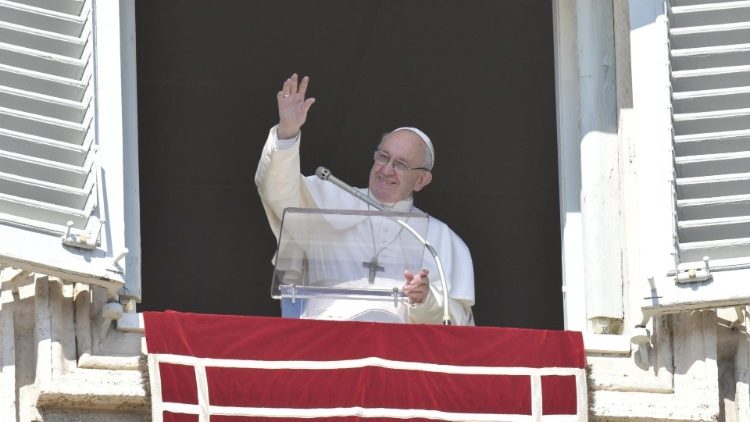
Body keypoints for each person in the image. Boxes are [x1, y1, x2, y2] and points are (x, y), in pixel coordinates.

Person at [255, 73, 475, 325]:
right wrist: (288, 132)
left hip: (397, 350)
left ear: (422, 180)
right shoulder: (329, 201)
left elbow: (457, 320)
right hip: (327, 337)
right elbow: (276, 191)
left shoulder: (440, 240)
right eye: (383, 157)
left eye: (401, 164)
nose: (386, 169)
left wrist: (424, 299)